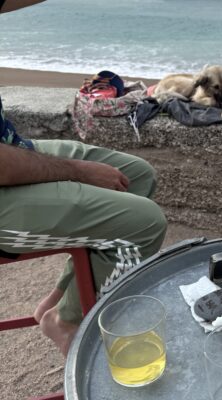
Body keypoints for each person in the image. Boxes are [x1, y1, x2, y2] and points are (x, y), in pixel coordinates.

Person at [1, 0, 168, 355]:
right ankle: (71, 325)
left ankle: (61, 305)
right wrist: (80, 171)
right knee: (143, 223)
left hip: (9, 148)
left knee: (135, 177)